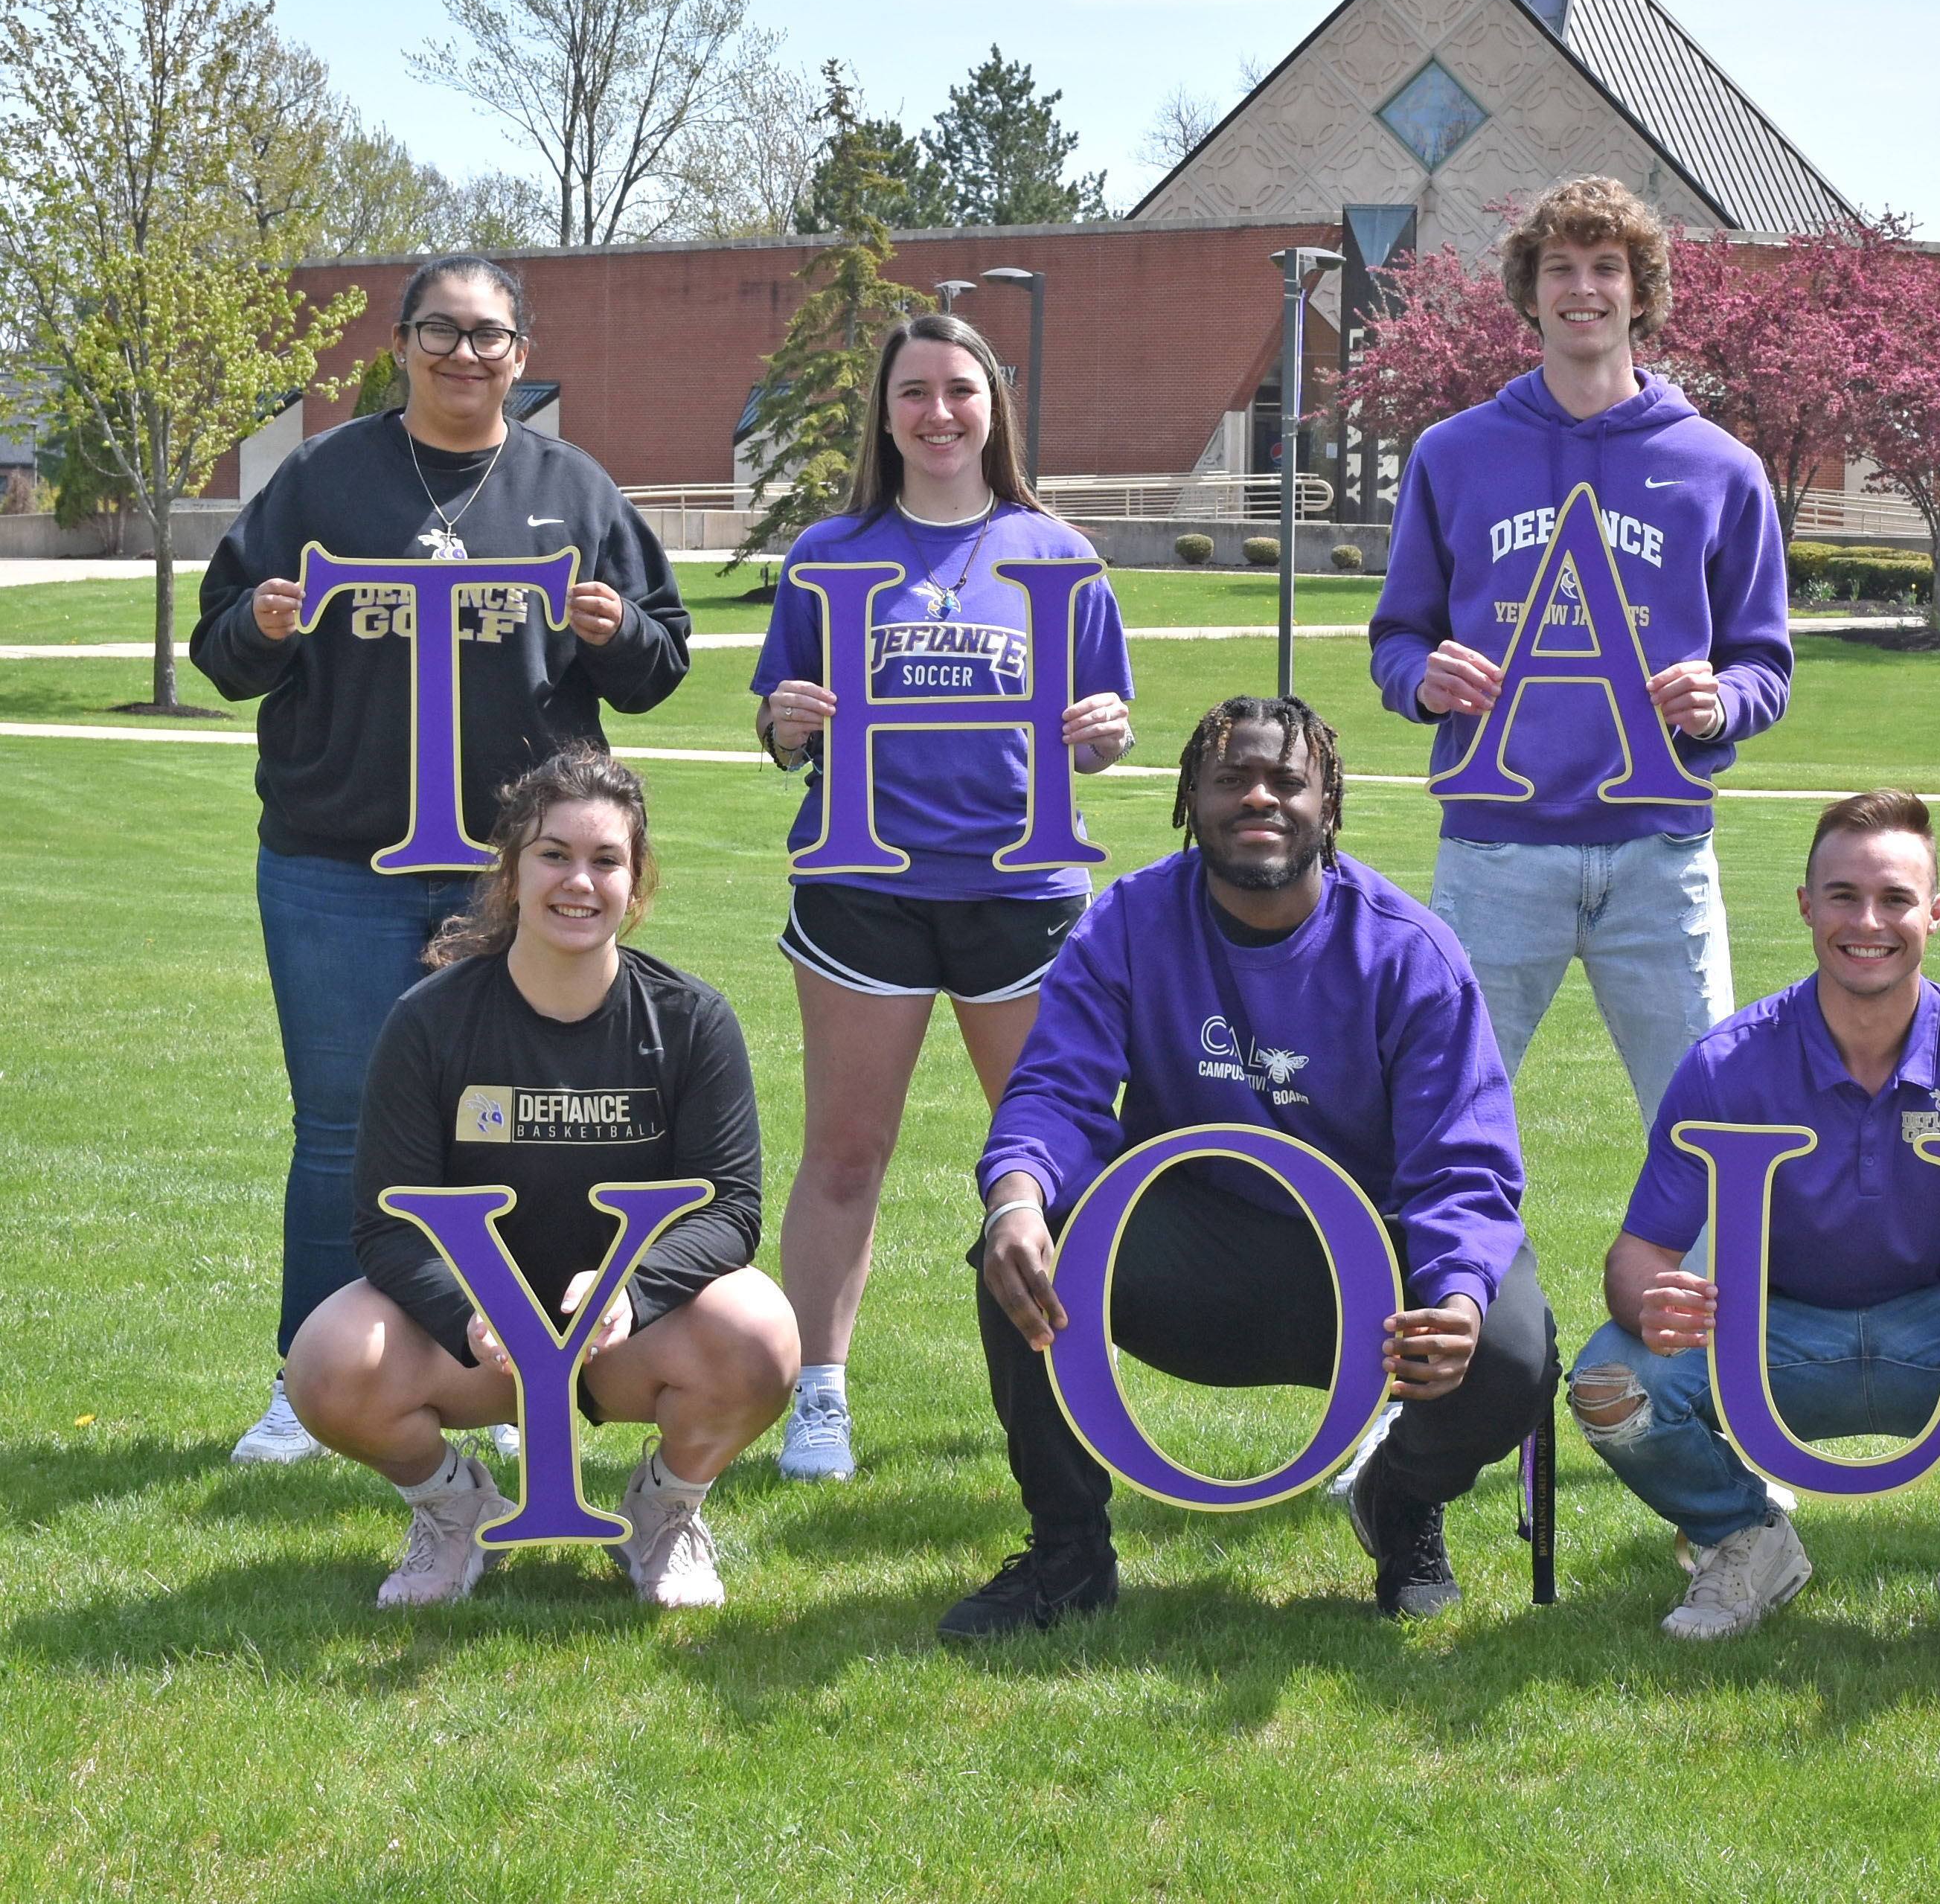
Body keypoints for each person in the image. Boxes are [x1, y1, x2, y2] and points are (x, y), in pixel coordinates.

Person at [195, 254, 691, 1467]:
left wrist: (617, 628)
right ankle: (304, 1381)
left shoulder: (571, 487)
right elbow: (219, 647)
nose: (463, 355)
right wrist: (258, 626)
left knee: (509, 1131)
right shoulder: (320, 478)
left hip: (514, 875)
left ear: (524, 354)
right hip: (334, 861)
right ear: (403, 344)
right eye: (439, 331)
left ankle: (507, 1374)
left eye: (488, 336)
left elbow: (663, 660)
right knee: (338, 1127)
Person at [944, 695, 1559, 1635]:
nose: (1259, 798)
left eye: (1286, 781)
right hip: (1205, 1250)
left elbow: (1461, 1165)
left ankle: (1398, 1499)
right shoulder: (1126, 925)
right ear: (1191, 797)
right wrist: (1017, 1197)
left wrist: (1462, 1294)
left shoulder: (1408, 953)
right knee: (1019, 1256)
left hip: (1375, 1273)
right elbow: (1057, 1093)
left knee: (1515, 1349)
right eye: (1232, 779)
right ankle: (1068, 1557)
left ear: (1329, 803)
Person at [1569, 791, 1940, 1657]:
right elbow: (1637, 1255)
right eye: (1842, 895)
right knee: (1611, 1383)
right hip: (1773, 1336)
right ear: (1805, 905)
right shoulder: (1728, 1065)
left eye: (1895, 899)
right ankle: (1743, 1541)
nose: (1867, 921)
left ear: (1935, 914)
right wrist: (1648, 1300)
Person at [748, 312, 1133, 1482]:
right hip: (865, 891)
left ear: (992, 408)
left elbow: (1103, 727)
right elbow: (775, 715)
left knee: (1047, 1156)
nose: (937, 413)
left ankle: (1067, 1392)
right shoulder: (829, 550)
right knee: (847, 1149)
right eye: (912, 392)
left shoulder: (1057, 553)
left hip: (1020, 894)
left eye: (958, 390)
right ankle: (819, 1393)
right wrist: (784, 722)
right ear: (885, 413)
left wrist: (1107, 733)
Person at [284, 749, 797, 1610]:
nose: (579, 881)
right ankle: (453, 1507)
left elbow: (731, 1207)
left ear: (637, 888)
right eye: (554, 854)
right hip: (485, 1347)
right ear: (511, 873)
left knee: (762, 1338)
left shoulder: (692, 1020)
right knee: (328, 1361)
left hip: (624, 1339)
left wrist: (637, 1290)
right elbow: (385, 1222)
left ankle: (664, 1510)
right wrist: (467, 1311)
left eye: (606, 861)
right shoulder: (430, 1022)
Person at [1368, 175, 1793, 1125]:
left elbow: (1766, 663)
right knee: (1441, 1120)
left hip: (1659, 856)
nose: (1583, 288)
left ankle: (1706, 1284)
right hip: (1494, 853)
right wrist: (1421, 680)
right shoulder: (1454, 452)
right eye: (1560, 267)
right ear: (1530, 292)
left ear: (1641, 291)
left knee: (1707, 1130)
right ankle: (1448, 1282)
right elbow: (1397, 636)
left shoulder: (1720, 467)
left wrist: (1722, 699)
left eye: (1607, 267)